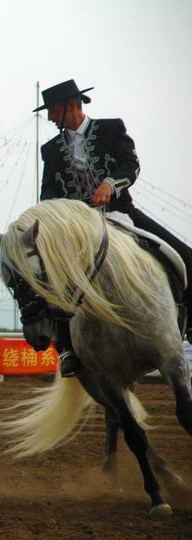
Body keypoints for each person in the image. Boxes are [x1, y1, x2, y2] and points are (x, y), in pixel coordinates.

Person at [35, 79, 192, 377]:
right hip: (77, 227)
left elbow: (130, 164)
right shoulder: (51, 150)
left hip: (121, 212)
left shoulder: (111, 128)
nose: (51, 118)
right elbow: (49, 191)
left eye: (53, 111)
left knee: (185, 255)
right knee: (49, 278)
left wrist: (110, 184)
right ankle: (66, 348)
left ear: (71, 105)